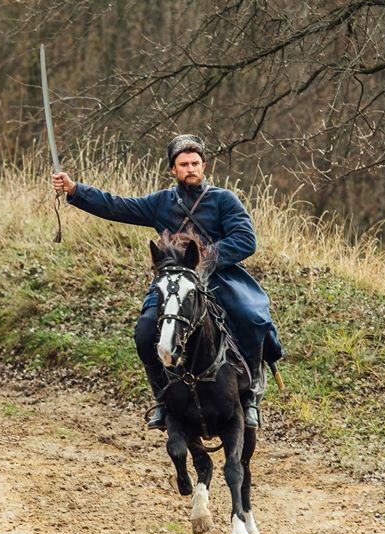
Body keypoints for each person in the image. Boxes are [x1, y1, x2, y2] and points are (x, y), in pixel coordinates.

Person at [52, 134, 282, 430]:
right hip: (172, 284)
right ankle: (163, 400)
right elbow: (117, 206)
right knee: (145, 333)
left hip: (218, 278)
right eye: (184, 164)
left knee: (251, 318)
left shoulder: (224, 200)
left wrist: (205, 256)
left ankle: (249, 397)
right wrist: (74, 189)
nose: (190, 168)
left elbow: (246, 240)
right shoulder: (161, 202)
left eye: (195, 163)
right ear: (173, 169)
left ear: (204, 165)